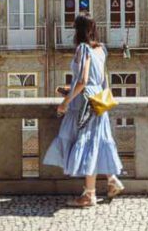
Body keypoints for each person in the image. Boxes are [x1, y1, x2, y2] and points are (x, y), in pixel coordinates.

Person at [42, 14, 124, 207]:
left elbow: (83, 80)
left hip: (85, 101)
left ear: (77, 30)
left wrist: (66, 101)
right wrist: (72, 90)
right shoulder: (101, 49)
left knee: (87, 144)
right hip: (99, 99)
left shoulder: (83, 49)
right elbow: (102, 80)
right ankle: (112, 180)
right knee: (98, 142)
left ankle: (89, 195)